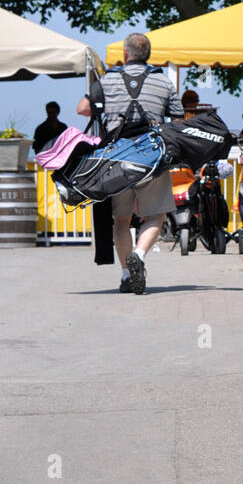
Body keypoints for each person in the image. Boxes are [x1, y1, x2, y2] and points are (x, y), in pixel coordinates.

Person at [76, 32, 184, 295]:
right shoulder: (162, 81)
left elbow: (82, 109)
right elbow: (179, 118)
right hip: (152, 159)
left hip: (115, 159)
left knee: (121, 221)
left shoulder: (108, 79)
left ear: (125, 55)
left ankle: (126, 275)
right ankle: (140, 255)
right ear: (148, 55)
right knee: (155, 215)